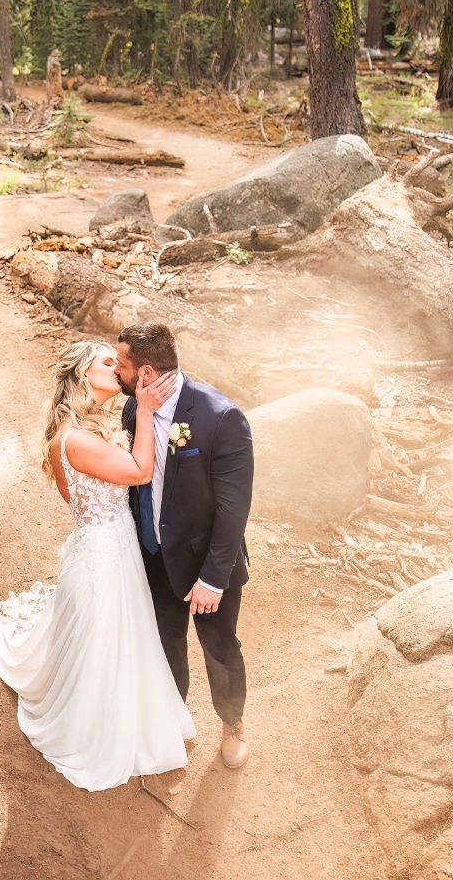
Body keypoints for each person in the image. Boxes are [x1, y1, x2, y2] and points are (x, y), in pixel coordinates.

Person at [0, 341, 195, 792]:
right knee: (106, 642)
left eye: (118, 363)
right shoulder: (76, 438)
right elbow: (138, 472)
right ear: (82, 374)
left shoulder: (88, 427)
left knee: (123, 637)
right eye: (107, 362)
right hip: (103, 556)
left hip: (109, 546)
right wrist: (146, 410)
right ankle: (99, 732)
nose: (118, 370)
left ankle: (132, 715)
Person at [116, 323, 254, 769]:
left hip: (206, 563)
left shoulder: (220, 417)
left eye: (122, 365)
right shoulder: (132, 409)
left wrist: (213, 578)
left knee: (219, 645)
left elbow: (234, 509)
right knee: (164, 642)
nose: (117, 372)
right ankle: (172, 721)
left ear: (147, 372)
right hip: (154, 555)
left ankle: (232, 723)